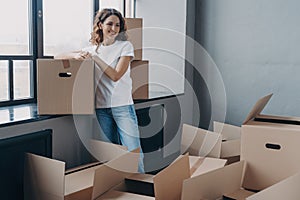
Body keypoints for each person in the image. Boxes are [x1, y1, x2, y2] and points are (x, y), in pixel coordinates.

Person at [55, 8, 144, 173]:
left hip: (123, 107)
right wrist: (74, 56)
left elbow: (116, 75)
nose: (114, 28)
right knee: (110, 155)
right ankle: (118, 189)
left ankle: (142, 191)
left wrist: (95, 58)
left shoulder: (125, 46)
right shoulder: (91, 49)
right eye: (110, 24)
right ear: (100, 25)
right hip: (101, 108)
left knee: (133, 152)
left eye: (118, 25)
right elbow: (57, 56)